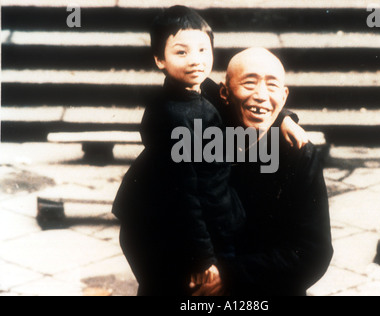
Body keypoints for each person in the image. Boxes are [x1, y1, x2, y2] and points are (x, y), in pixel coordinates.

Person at [112, 6, 307, 296]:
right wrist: (206, 260)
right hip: (160, 225)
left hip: (186, 218)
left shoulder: (197, 90)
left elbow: (245, 98)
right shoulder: (174, 117)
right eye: (181, 52)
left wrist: (284, 118)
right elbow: (186, 198)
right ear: (159, 59)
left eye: (203, 50)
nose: (195, 61)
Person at [192, 48, 334, 296]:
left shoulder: (298, 153)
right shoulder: (205, 133)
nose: (260, 95)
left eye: (271, 86)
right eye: (249, 83)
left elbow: (313, 252)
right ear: (225, 93)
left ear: (285, 95)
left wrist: (231, 275)